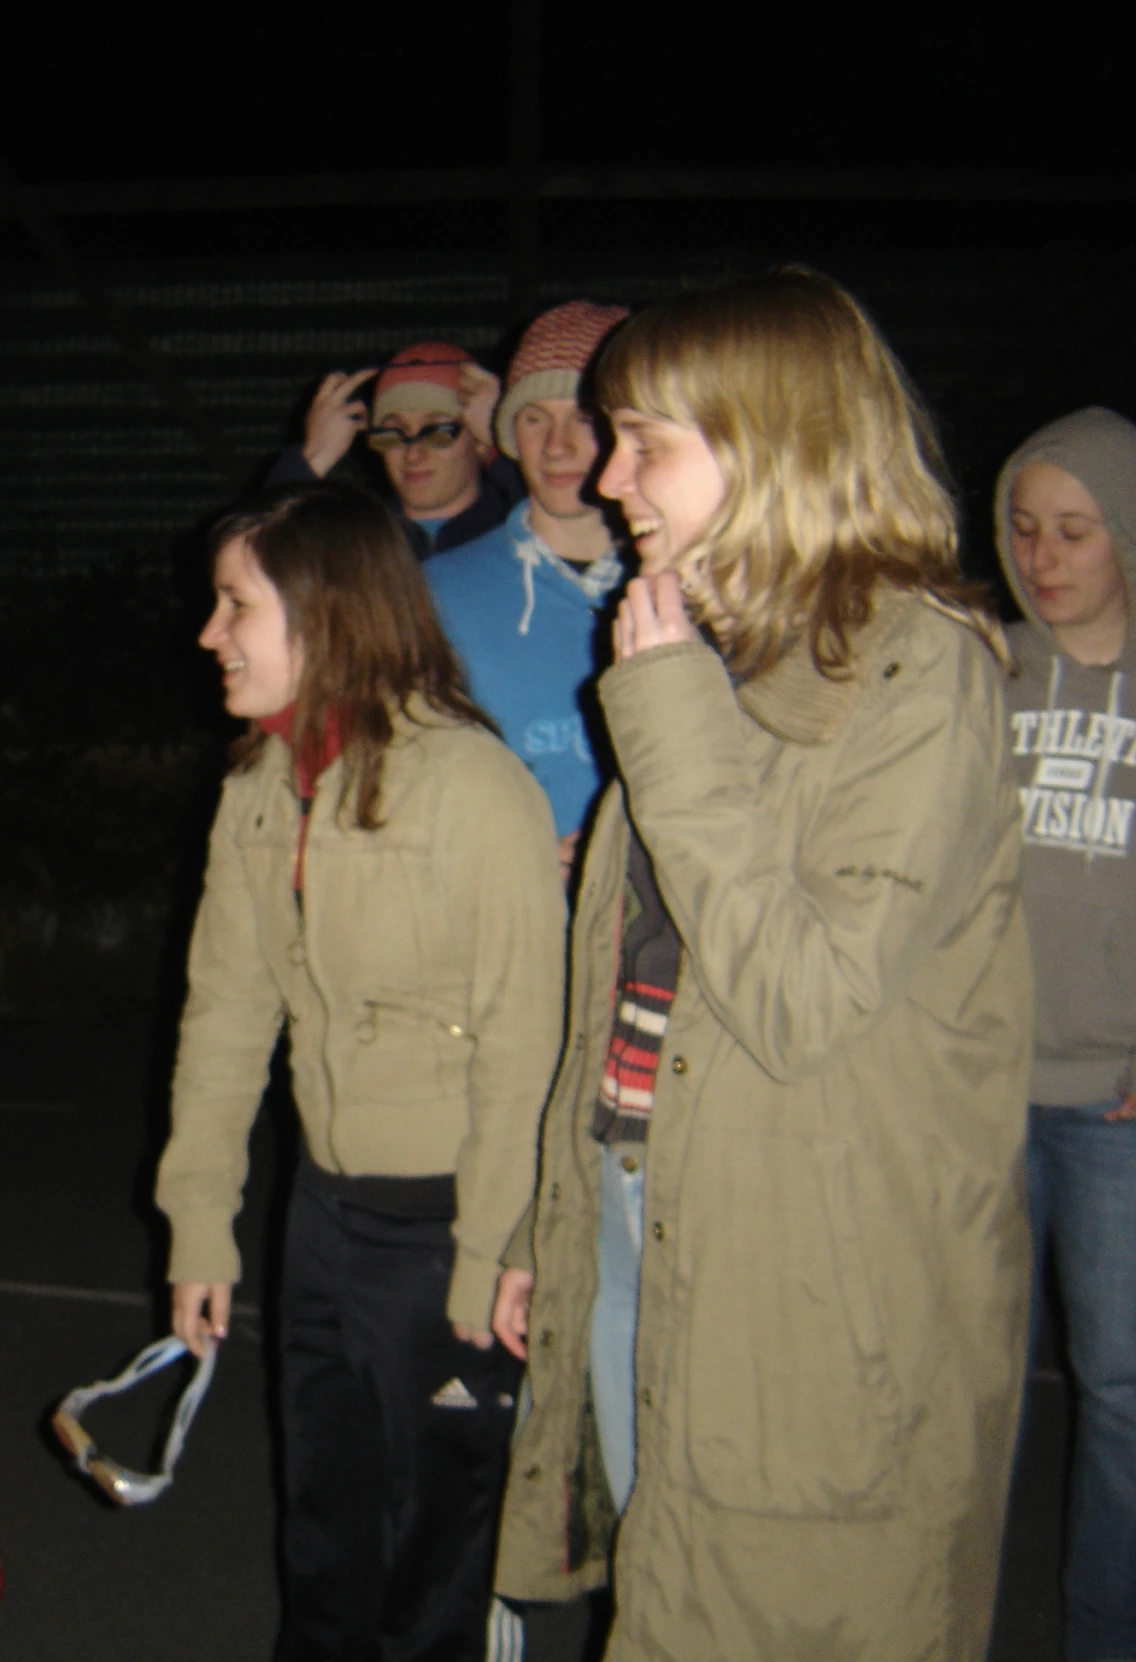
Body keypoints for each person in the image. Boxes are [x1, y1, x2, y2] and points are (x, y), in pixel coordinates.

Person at [492, 270, 1030, 1659]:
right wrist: (546, 1228)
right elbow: (627, 989)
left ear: (776, 440)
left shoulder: (922, 670)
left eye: (646, 441)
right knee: (663, 1589)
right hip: (641, 1214)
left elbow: (799, 998)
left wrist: (669, 714)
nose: (608, 478)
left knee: (755, 1610)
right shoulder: (707, 645)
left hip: (806, 1273)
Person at [157, 479, 565, 1662]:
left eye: (234, 606)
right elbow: (225, 1018)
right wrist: (199, 1225)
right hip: (323, 1216)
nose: (209, 634)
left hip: (448, 1224)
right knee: (323, 1532)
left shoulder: (471, 790)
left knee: (435, 1555)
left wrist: (497, 1251)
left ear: (322, 613)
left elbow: (522, 1044)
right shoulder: (254, 793)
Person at [994, 406, 1136, 1662]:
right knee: (970, 1396)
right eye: (1026, 528)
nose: (1043, 555)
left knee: (1125, 1397)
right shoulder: (984, 669)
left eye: (1074, 531)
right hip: (978, 1095)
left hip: (1113, 1107)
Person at [424, 300, 630, 869]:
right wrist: (511, 855)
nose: (557, 446)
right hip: (507, 933)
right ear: (509, 433)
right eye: (535, 417)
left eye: (585, 417)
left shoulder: (689, 590)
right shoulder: (436, 594)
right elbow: (395, 784)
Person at [270, 341, 521, 556]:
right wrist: (312, 458)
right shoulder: (355, 542)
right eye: (393, 435)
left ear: (478, 440)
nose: (413, 455)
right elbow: (255, 559)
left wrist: (503, 447)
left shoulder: (519, 531)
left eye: (437, 433)